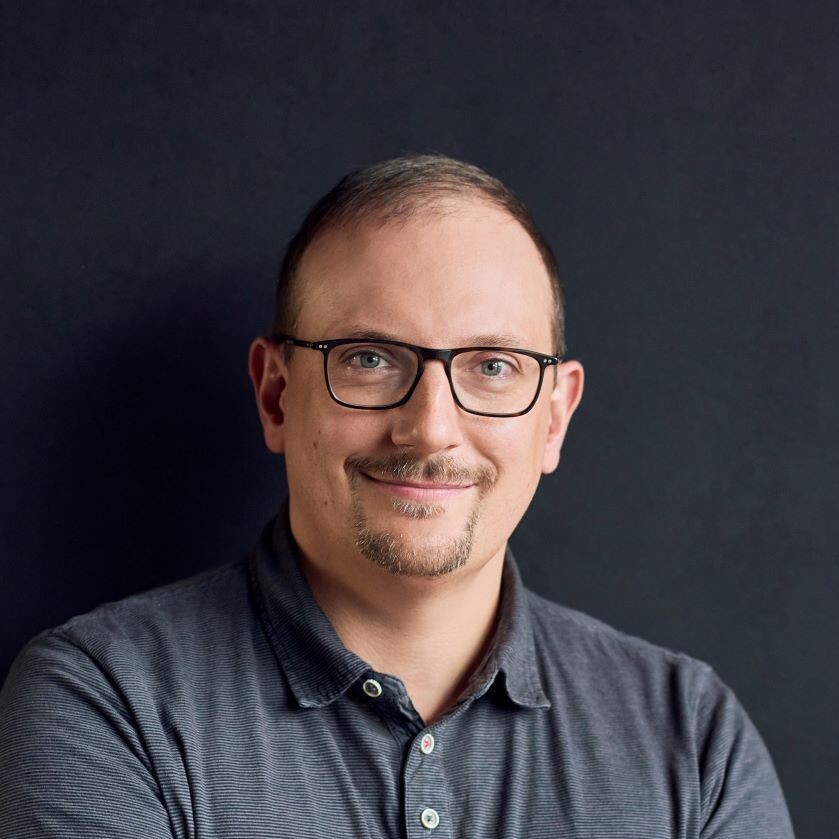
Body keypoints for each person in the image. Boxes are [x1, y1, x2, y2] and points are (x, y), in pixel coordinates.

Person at [0, 154, 794, 838]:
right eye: (369, 358)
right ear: (276, 396)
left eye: (492, 366)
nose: (430, 429)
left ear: (553, 418)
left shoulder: (693, 739)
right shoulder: (107, 703)